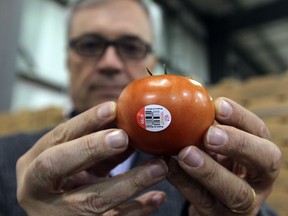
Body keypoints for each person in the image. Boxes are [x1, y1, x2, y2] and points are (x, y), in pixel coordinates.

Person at [0, 0, 281, 215]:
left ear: (153, 59)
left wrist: (249, 208)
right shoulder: (6, 159)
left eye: (131, 46)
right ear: (67, 61)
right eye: (89, 44)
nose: (109, 63)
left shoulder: (208, 164)